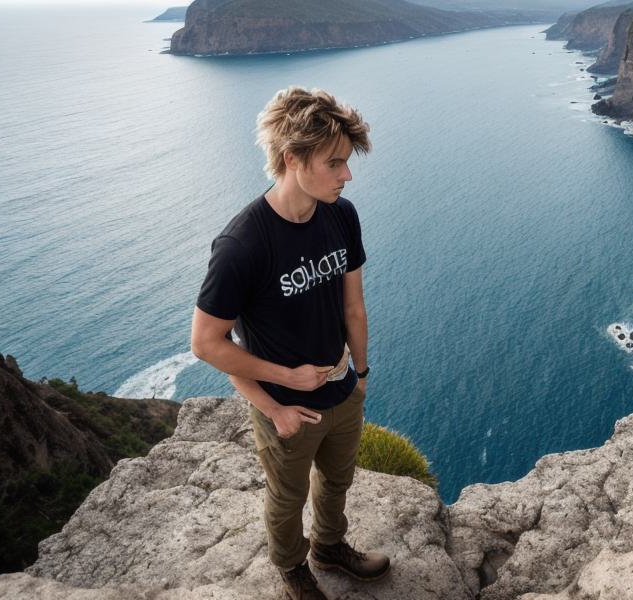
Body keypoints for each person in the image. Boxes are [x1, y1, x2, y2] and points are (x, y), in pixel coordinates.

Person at [190, 86, 389, 599]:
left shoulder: (340, 215)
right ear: (292, 158)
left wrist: (361, 376)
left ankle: (328, 547)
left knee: (338, 482)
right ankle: (292, 569)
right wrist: (280, 396)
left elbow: (353, 307)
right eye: (335, 163)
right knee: (286, 498)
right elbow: (208, 343)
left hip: (343, 392)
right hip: (286, 408)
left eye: (346, 162)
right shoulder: (243, 245)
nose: (347, 175)